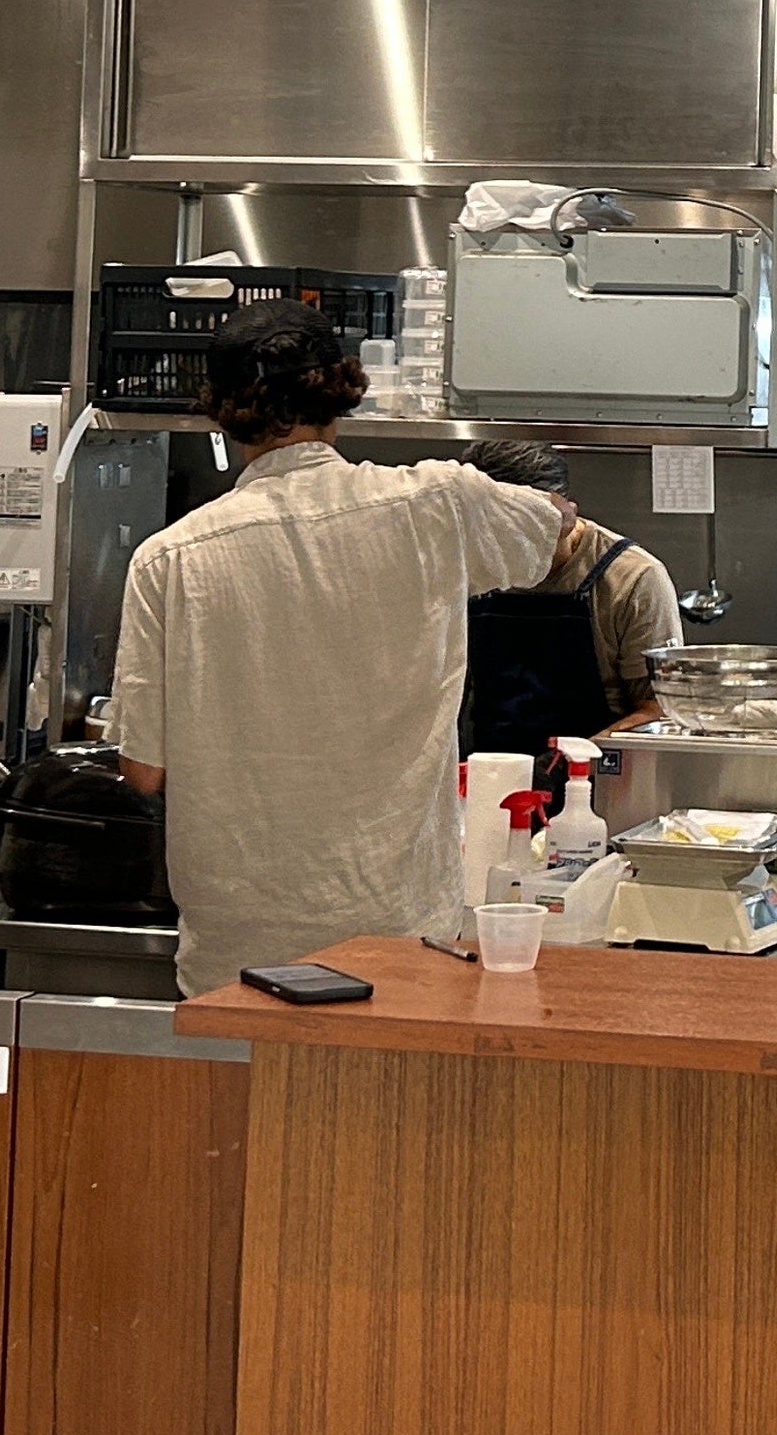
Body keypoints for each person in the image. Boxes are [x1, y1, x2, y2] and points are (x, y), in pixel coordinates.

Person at [115, 305, 564, 995]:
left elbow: (144, 771)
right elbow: (552, 529)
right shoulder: (436, 501)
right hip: (397, 929)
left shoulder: (167, 558)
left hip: (238, 947)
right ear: (341, 392)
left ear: (221, 411)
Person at [455, 438, 686, 756]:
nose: (506, 556)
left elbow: (659, 708)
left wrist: (571, 760)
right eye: (494, 538)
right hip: (490, 769)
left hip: (596, 774)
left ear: (563, 515)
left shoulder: (633, 578)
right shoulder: (466, 566)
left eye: (522, 535)